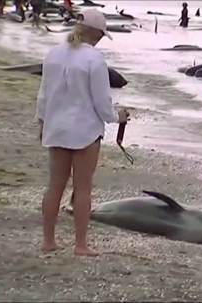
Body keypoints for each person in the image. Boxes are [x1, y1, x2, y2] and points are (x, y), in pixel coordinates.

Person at [36, 9, 130, 256]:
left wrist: (42, 122)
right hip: (85, 130)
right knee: (83, 187)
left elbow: (44, 95)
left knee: (54, 185)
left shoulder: (53, 54)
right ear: (98, 34)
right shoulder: (94, 59)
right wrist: (117, 117)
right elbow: (101, 102)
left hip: (55, 126)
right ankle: (80, 245)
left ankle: (48, 241)